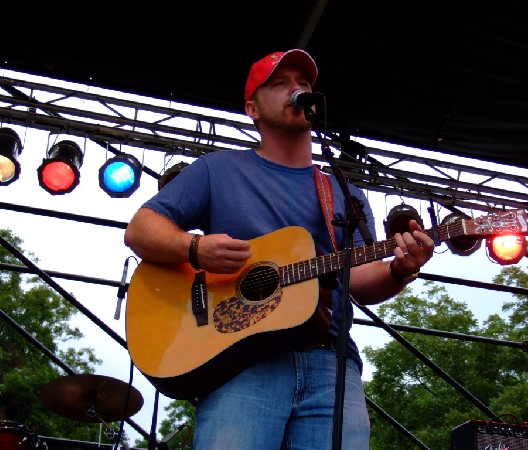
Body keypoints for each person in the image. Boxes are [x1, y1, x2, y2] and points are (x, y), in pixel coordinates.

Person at [124, 49, 434, 450]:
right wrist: (194, 248)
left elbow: (356, 278)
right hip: (242, 362)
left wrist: (400, 269)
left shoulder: (344, 192)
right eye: (280, 83)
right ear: (252, 108)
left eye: (304, 85)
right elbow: (140, 230)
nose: (297, 90)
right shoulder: (218, 170)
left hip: (331, 363)